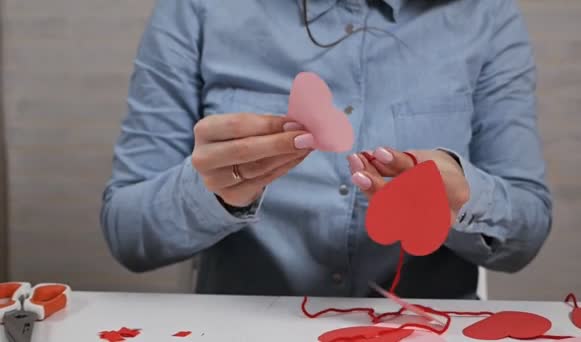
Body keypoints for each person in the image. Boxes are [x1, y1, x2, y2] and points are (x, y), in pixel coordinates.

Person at [101, 0, 552, 299]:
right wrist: (212, 191)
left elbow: (526, 235)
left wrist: (463, 196)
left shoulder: (486, 13)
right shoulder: (199, 8)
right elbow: (127, 233)